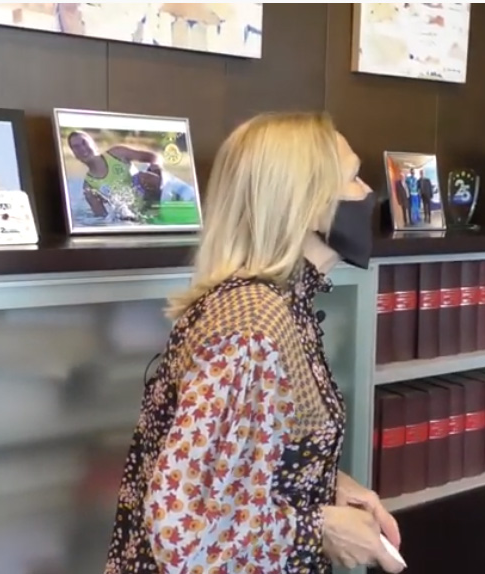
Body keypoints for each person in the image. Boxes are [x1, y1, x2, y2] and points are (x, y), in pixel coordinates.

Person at [102, 112, 404, 574]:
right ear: (304, 203)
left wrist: (327, 484)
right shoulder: (252, 329)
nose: (368, 193)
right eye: (353, 178)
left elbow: (255, 457)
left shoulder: (284, 305)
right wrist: (319, 527)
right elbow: (181, 529)